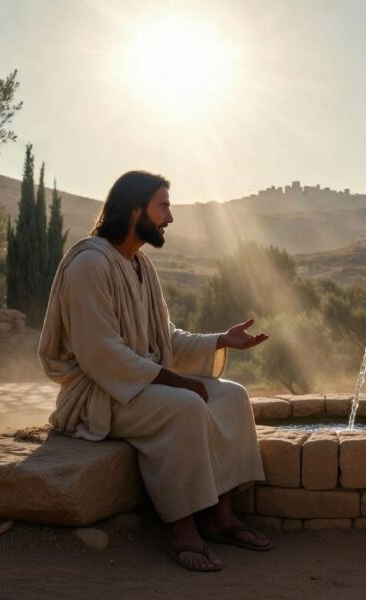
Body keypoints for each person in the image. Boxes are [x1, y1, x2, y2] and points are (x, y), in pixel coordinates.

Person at [39, 171, 270, 572]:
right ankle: (183, 531)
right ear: (134, 210)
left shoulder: (140, 265)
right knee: (185, 405)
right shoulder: (90, 264)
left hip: (137, 383)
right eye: (163, 206)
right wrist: (178, 381)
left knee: (232, 396)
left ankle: (221, 516)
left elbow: (164, 339)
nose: (170, 217)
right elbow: (101, 355)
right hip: (99, 392)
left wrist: (220, 340)